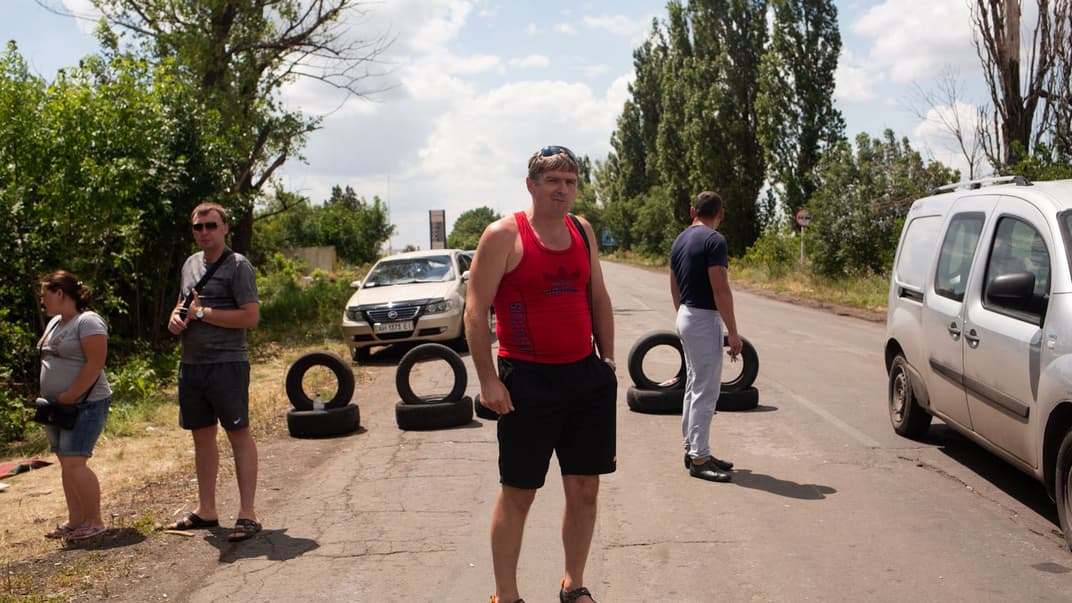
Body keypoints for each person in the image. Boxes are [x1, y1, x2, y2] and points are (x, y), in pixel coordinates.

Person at [465, 145, 617, 603]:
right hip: (526, 381)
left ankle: (573, 584)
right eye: (553, 182)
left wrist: (607, 362)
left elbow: (599, 298)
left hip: (584, 379)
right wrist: (488, 379)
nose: (563, 190)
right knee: (520, 492)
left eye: (570, 182)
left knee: (585, 489)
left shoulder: (581, 229)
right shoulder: (503, 235)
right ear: (531, 184)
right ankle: (506, 595)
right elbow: (475, 311)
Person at [165, 202, 262, 542]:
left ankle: (247, 514)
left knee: (239, 434)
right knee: (201, 438)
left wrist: (203, 313)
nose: (204, 232)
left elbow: (250, 317)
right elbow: (181, 307)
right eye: (198, 227)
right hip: (191, 364)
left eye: (210, 225)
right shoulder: (190, 264)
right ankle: (207, 509)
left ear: (224, 229)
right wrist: (176, 321)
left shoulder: (239, 266)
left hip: (227, 363)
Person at [669, 190, 743, 482]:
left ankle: (694, 449)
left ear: (692, 211)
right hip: (702, 317)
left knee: (693, 386)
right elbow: (720, 288)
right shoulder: (715, 241)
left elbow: (673, 282)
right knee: (706, 390)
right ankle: (699, 459)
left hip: (686, 313)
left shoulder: (680, 239)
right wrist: (733, 332)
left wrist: (681, 314)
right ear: (720, 214)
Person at [37, 271, 113, 541]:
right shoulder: (56, 322)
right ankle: (75, 519)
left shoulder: (88, 321)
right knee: (66, 463)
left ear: (60, 293)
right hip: (58, 408)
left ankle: (94, 520)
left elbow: (95, 364)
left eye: (45, 296)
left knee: (75, 462)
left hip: (86, 405)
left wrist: (71, 395)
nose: (42, 302)